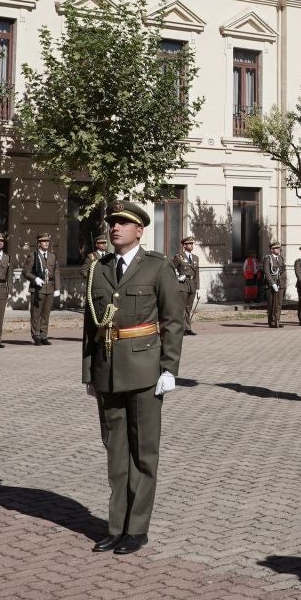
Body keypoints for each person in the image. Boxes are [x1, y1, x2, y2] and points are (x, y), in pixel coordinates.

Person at [83, 201, 185, 554]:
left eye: (124, 223)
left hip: (144, 371)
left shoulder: (157, 267)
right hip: (107, 371)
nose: (115, 228)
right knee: (115, 452)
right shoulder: (100, 268)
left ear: (139, 230)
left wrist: (169, 369)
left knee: (143, 453)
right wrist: (88, 373)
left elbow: (173, 321)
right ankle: (116, 526)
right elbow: (91, 326)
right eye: (113, 223)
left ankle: (137, 528)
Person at [29, 233, 57, 345]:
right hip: (37, 288)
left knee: (46, 313)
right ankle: (36, 335)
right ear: (39, 243)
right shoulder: (33, 256)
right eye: (44, 241)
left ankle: (43, 335)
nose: (46, 243)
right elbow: (25, 272)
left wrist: (57, 288)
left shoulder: (52, 256)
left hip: (49, 288)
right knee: (36, 313)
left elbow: (56, 272)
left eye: (48, 241)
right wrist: (35, 279)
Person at [174, 234, 202, 335]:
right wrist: (178, 276)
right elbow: (171, 269)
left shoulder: (195, 258)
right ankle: (181, 329)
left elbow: (197, 273)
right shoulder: (179, 256)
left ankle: (188, 328)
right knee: (182, 307)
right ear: (184, 245)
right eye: (189, 244)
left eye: (192, 244)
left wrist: (198, 287)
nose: (191, 245)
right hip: (183, 284)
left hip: (192, 284)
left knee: (189, 307)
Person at [264, 241, 286, 328]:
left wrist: (283, 283)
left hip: (280, 283)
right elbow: (267, 273)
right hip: (271, 284)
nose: (279, 249)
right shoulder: (268, 258)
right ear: (272, 250)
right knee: (271, 304)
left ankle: (277, 320)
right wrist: (272, 284)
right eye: (276, 248)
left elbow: (283, 271)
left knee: (279, 303)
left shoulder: (280, 258)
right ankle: (272, 322)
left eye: (279, 248)